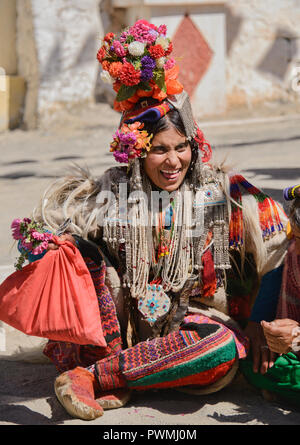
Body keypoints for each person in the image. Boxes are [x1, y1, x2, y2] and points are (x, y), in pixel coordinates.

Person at [27, 20, 289, 420]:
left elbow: (281, 249)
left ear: (194, 146)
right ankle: (118, 368)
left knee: (221, 351)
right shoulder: (111, 192)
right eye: (159, 150)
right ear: (136, 153)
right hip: (123, 330)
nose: (173, 161)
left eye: (181, 148)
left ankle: (99, 378)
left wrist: (257, 320)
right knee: (76, 254)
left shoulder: (225, 194)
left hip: (194, 327)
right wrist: (54, 249)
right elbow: (71, 248)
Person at [240, 185, 300, 407]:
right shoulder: (292, 257)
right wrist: (275, 338)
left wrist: (297, 339)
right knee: (254, 363)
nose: (295, 247)